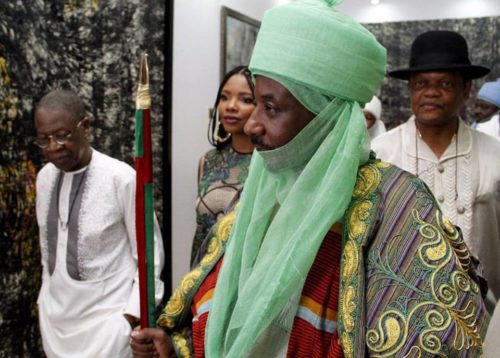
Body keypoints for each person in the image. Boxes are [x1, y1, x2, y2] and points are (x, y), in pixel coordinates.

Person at [132, 2, 489, 357]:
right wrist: (176, 348)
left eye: (271, 108)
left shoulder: (398, 208)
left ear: (326, 117)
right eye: (255, 103)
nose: (252, 123)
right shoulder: (261, 195)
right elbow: (224, 314)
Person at [372, 30, 500, 312]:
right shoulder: (381, 154)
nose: (431, 92)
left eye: (444, 83)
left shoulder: (495, 154)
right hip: (401, 322)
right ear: (410, 90)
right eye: (421, 83)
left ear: (466, 89)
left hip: (483, 319)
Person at [33, 89, 164, 357]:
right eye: (44, 139)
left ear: (86, 127)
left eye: (61, 135)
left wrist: (130, 318)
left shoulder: (121, 179)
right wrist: (43, 302)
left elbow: (150, 256)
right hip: (55, 327)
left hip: (110, 330)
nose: (53, 147)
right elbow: (49, 256)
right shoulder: (44, 178)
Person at [191, 66, 255, 266]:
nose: (231, 106)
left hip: (245, 280)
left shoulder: (270, 165)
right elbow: (200, 235)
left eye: (245, 100)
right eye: (225, 97)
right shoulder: (207, 162)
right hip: (203, 280)